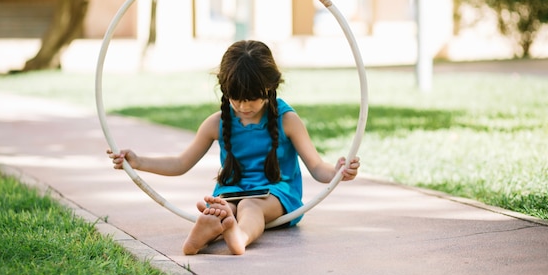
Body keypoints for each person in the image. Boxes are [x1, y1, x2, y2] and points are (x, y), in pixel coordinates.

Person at [107, 40, 360, 255]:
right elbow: (181, 163)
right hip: (232, 191)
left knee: (250, 206)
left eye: (251, 99)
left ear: (270, 88)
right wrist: (138, 162)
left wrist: (338, 171)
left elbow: (316, 167)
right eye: (235, 98)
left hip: (277, 194)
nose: (242, 106)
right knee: (223, 207)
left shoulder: (287, 120)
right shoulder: (217, 122)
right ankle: (211, 229)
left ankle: (239, 237)